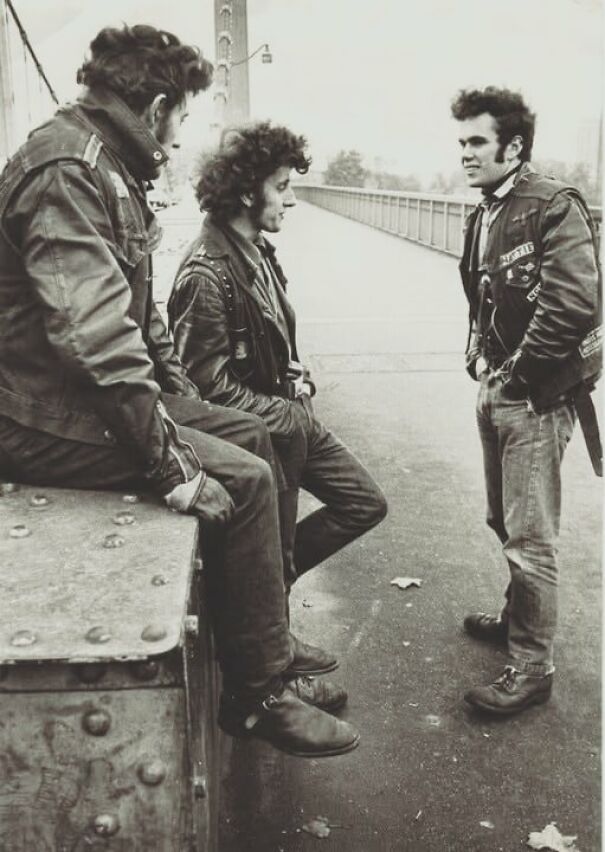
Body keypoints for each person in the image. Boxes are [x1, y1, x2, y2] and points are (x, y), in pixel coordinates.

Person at [0, 24, 359, 757]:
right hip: (35, 416)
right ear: (158, 106)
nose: (179, 132)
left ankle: (261, 637)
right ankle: (257, 693)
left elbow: (142, 320)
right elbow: (96, 338)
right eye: (181, 115)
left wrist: (191, 404)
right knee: (245, 478)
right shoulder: (68, 172)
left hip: (70, 398)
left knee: (251, 432)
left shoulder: (103, 165)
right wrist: (174, 464)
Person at [167, 121, 387, 663]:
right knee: (274, 547)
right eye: (283, 186)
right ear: (248, 191)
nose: (291, 199)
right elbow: (202, 391)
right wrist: (286, 413)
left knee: (363, 503)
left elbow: (269, 340)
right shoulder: (206, 274)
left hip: (286, 421)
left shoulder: (256, 251)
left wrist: (296, 376)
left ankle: (267, 593)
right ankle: (277, 659)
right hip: (263, 437)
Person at [451, 87, 601, 715]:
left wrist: (516, 375)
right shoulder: (487, 209)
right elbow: (483, 292)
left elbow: (573, 303)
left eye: (476, 142)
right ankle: (519, 617)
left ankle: (532, 667)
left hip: (534, 396)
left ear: (513, 147)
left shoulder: (552, 205)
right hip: (499, 386)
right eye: (461, 142)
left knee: (531, 537)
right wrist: (477, 349)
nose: (465, 153)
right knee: (503, 519)